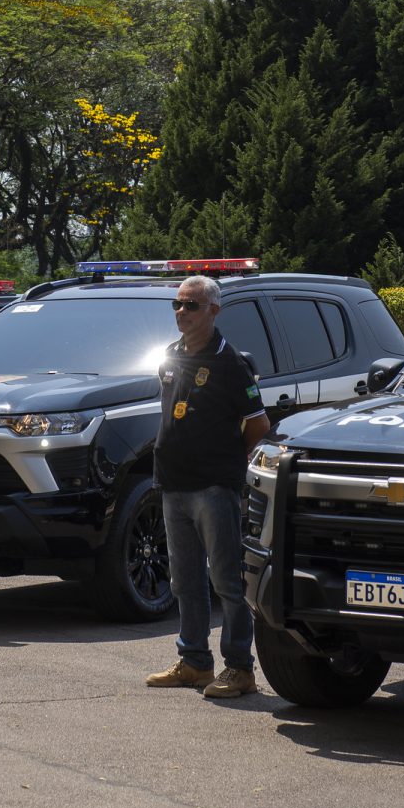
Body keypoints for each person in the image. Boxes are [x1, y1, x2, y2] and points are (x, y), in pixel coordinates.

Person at [144, 275, 270, 699]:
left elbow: (259, 426)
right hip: (173, 484)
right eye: (177, 305)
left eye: (191, 306)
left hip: (214, 487)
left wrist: (228, 466)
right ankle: (194, 661)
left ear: (214, 310)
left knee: (227, 581)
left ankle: (239, 668)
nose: (181, 312)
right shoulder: (170, 356)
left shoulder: (232, 364)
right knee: (184, 579)